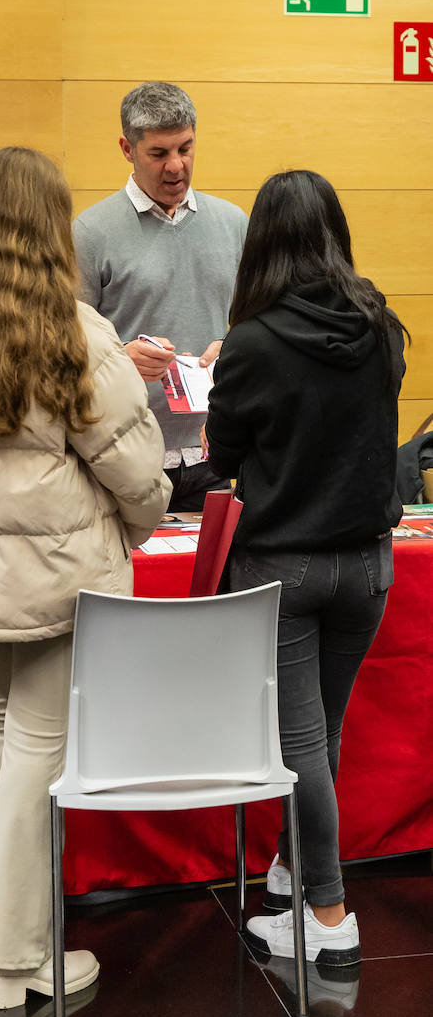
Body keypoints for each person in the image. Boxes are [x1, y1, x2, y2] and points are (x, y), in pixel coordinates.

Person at [0, 146, 171, 1010]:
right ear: (54, 231)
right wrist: (127, 529)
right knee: (35, 756)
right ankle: (18, 960)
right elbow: (138, 477)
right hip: (51, 588)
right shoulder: (76, 334)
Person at [205, 169, 406, 966]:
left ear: (261, 243)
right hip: (367, 567)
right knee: (322, 735)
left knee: (298, 745)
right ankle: (292, 877)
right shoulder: (380, 326)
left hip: (281, 570)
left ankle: (326, 917)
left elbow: (221, 457)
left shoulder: (251, 344)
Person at [73, 81, 248, 511]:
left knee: (215, 578)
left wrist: (235, 348)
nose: (176, 167)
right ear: (127, 149)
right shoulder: (90, 233)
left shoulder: (233, 223)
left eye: (185, 149)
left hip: (216, 450)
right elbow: (63, 344)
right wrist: (118, 359)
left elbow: (256, 322)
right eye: (159, 154)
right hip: (126, 452)